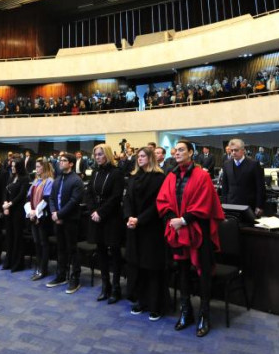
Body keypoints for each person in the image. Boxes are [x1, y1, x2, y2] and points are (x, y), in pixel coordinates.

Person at [157, 140, 224, 338]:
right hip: (178, 230)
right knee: (182, 270)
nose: (177, 153)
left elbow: (204, 202)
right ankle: (186, 312)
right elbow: (163, 200)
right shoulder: (171, 176)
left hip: (198, 229)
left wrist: (184, 220)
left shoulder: (202, 175)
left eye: (181, 150)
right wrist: (173, 220)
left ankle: (204, 314)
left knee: (203, 272)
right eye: (175, 150)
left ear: (191, 153)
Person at [124, 147, 167, 321]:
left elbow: (158, 204)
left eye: (143, 156)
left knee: (152, 268)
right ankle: (141, 301)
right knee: (138, 266)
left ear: (150, 158)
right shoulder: (133, 177)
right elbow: (126, 199)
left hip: (151, 228)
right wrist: (129, 217)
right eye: (138, 156)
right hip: (134, 227)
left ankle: (155, 305)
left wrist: (139, 219)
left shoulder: (159, 178)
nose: (139, 159)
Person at [87, 144, 126, 304]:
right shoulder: (96, 172)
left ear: (107, 155)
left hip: (111, 218)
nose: (97, 157)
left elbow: (116, 197)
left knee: (114, 254)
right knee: (101, 252)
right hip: (96, 217)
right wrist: (93, 211)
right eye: (96, 154)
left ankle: (116, 287)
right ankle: (105, 286)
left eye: (100, 154)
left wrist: (100, 213)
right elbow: (88, 193)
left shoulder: (117, 173)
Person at [47, 153, 84, 294]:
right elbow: (51, 198)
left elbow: (74, 202)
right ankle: (61, 275)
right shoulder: (57, 179)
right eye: (60, 160)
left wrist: (60, 214)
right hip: (58, 219)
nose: (60, 162)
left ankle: (75, 278)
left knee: (72, 249)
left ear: (71, 164)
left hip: (70, 221)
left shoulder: (76, 180)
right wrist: (54, 213)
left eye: (64, 160)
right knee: (60, 248)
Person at [219, 138, 266, 216]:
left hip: (249, 205)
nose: (233, 153)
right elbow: (225, 186)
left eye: (236, 150)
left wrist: (259, 206)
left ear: (243, 150)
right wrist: (224, 204)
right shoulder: (227, 164)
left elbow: (260, 187)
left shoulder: (254, 164)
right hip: (231, 205)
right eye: (232, 150)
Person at [26, 158, 54, 281]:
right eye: (36, 166)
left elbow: (46, 200)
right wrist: (30, 212)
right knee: (36, 242)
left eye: (38, 167)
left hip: (43, 217)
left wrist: (36, 212)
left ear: (45, 167)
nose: (36, 169)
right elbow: (28, 198)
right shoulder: (36, 181)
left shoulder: (49, 181)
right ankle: (38, 266)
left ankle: (43, 268)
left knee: (43, 243)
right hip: (33, 216)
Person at [2, 158, 31, 273]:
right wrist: (5, 203)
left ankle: (17, 263)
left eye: (14, 166)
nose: (12, 167)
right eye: (12, 165)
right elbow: (5, 191)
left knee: (17, 237)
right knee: (9, 236)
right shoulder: (11, 177)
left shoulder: (25, 178)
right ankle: (8, 261)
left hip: (18, 211)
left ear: (19, 167)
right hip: (9, 210)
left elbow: (21, 194)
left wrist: (10, 204)